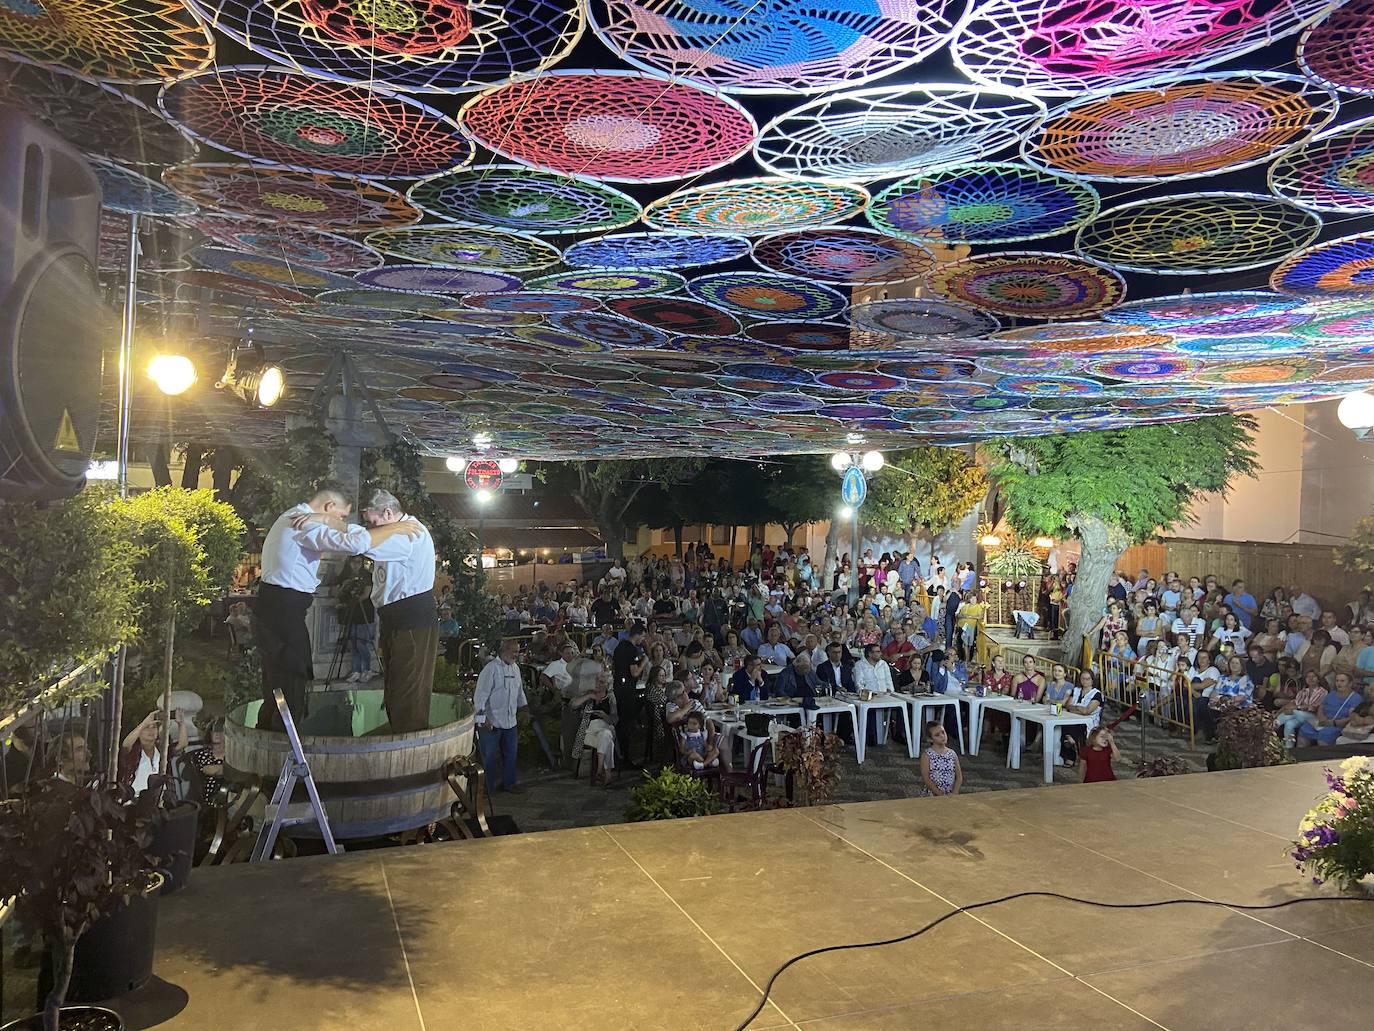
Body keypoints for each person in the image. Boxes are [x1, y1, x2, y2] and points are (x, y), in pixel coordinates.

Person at [257, 484, 420, 730]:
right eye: (341, 516)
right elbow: (353, 544)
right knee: (291, 685)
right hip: (284, 610)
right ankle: (282, 754)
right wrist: (396, 527)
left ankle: (268, 745)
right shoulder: (305, 523)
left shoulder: (292, 516)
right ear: (330, 507)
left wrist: (326, 518)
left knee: (276, 686)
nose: (340, 522)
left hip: (277, 608)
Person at [473, 639, 527, 793]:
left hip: (511, 721)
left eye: (517, 651)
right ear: (504, 651)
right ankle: (486, 789)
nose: (517, 655)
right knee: (488, 757)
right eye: (514, 651)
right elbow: (480, 696)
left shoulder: (515, 668)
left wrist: (525, 708)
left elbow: (519, 691)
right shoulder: (490, 669)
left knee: (511, 754)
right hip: (492, 722)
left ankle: (509, 783)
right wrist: (482, 718)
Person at [120, 709, 188, 796]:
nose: (151, 730)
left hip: (158, 800)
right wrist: (144, 723)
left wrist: (181, 723)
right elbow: (125, 745)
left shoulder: (161, 750)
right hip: (134, 800)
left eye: (154, 727)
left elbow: (182, 744)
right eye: (147, 727)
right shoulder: (134, 750)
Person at [569, 671, 618, 785]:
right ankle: (606, 772)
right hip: (589, 731)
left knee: (605, 733)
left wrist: (604, 716)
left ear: (607, 684)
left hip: (605, 726)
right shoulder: (588, 694)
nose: (598, 684)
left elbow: (615, 720)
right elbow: (573, 705)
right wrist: (589, 696)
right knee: (607, 739)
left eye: (601, 682)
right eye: (596, 681)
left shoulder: (610, 697)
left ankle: (599, 769)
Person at [612, 624, 649, 763]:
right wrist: (644, 662)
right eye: (643, 636)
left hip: (618, 685)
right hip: (627, 689)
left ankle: (620, 752)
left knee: (622, 719)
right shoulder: (632, 649)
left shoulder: (619, 647)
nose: (643, 639)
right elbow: (635, 672)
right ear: (638, 634)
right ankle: (625, 756)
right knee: (626, 722)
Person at [1297, 672, 1363, 747]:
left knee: (1324, 735)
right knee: (1304, 729)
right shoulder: (1331, 694)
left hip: (1338, 725)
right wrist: (1322, 718)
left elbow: (1352, 717)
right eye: (1337, 681)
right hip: (1324, 723)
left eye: (1342, 681)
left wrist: (1334, 723)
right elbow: (1321, 707)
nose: (1338, 683)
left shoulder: (1355, 698)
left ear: (1350, 683)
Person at [1276, 670, 1328, 748]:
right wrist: (1287, 709)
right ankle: (1289, 748)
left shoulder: (1323, 692)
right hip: (1299, 716)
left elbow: (1314, 707)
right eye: (1308, 677)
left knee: (1295, 712)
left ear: (1318, 679)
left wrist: (1296, 708)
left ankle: (1274, 724)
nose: (1310, 679)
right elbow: (1295, 703)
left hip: (1314, 718)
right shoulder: (1303, 691)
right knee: (1289, 724)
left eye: (1313, 677)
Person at [186, 718, 226, 806]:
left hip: (230, 794)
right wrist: (230, 769)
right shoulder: (204, 753)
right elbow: (209, 770)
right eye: (213, 730)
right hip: (210, 798)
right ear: (209, 733)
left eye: (220, 730)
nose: (217, 734)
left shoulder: (231, 754)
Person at [919, 721, 961, 797]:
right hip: (932, 794)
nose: (942, 736)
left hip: (950, 793)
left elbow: (959, 776)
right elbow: (926, 778)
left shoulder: (952, 754)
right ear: (930, 739)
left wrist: (955, 792)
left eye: (943, 732)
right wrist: (940, 794)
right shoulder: (927, 755)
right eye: (937, 735)